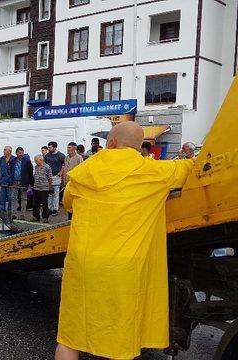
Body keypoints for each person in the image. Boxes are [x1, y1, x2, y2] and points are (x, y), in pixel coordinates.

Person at [55, 122, 194, 360]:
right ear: (140, 147)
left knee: (70, 337)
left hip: (83, 261)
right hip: (125, 266)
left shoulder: (84, 172)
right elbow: (192, 166)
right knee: (119, 337)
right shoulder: (155, 172)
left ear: (110, 143)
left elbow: (68, 204)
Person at [44, 141, 66, 217]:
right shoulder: (47, 156)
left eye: (50, 147)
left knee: (56, 193)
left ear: (55, 147)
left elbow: (64, 165)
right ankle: (49, 208)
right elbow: (45, 165)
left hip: (56, 177)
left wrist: (61, 171)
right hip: (48, 177)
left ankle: (55, 209)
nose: (49, 149)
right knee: (49, 193)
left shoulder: (61, 155)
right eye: (48, 147)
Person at [63, 143, 83, 220]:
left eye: (69, 147)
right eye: (67, 147)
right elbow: (65, 168)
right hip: (67, 182)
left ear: (74, 149)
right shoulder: (66, 157)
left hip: (75, 183)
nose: (67, 149)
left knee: (75, 201)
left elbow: (81, 170)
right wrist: (64, 179)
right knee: (68, 200)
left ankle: (75, 217)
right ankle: (69, 217)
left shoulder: (79, 158)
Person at [31, 155, 52, 223]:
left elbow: (50, 178)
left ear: (41, 160)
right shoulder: (36, 166)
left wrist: (50, 187)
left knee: (44, 203)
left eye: (36, 160)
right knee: (35, 203)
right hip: (36, 188)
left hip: (44, 189)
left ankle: (45, 217)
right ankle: (36, 216)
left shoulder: (47, 167)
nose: (35, 162)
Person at [0, 146, 16, 218]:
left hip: (10, 182)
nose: (3, 151)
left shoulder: (14, 159)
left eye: (5, 150)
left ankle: (10, 211)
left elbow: (14, 171)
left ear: (9, 151)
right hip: (2, 181)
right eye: (4, 150)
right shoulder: (2, 158)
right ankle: (1, 211)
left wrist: (11, 180)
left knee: (10, 197)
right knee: (1, 197)